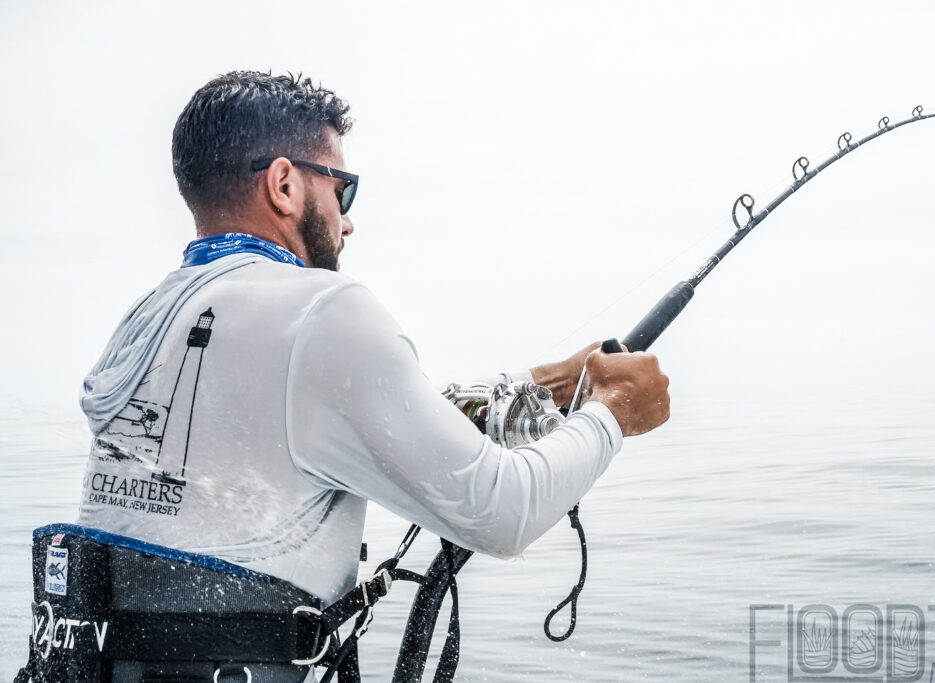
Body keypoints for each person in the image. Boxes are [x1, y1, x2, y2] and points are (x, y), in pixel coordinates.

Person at [28, 70, 670, 682]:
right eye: (343, 189)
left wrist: (547, 386)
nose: (348, 218)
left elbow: (326, 419)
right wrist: (614, 408)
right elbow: (501, 511)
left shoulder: (148, 319)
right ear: (284, 184)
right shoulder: (322, 310)